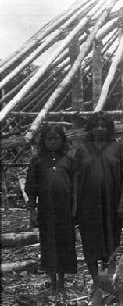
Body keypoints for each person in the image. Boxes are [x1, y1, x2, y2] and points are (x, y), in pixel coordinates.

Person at [74, 112, 123, 283]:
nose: (99, 129)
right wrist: (75, 203)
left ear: (109, 129)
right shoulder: (83, 149)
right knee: (90, 239)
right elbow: (75, 177)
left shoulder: (117, 147)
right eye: (96, 125)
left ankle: (109, 278)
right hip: (88, 204)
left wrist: (122, 201)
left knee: (111, 238)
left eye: (103, 126)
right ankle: (96, 280)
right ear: (90, 128)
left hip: (112, 203)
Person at [26, 124, 77, 293]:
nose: (53, 142)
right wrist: (32, 211)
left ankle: (62, 280)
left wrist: (75, 207)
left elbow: (76, 185)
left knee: (64, 243)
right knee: (48, 244)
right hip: (46, 209)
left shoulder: (69, 160)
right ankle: (52, 280)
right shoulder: (37, 160)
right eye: (49, 139)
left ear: (62, 140)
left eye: (56, 139)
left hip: (65, 209)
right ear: (43, 141)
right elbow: (31, 187)